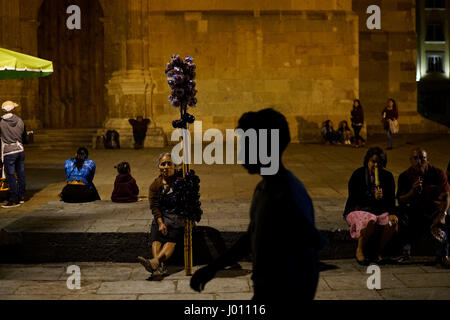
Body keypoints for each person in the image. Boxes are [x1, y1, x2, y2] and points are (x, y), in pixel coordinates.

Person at [190, 108, 326, 302]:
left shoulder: (286, 195)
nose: (241, 154)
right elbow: (250, 236)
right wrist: (212, 269)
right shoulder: (264, 189)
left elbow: (308, 259)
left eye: (246, 145)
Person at [343, 147, 398, 264]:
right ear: (367, 161)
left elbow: (391, 200)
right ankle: (360, 250)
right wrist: (372, 196)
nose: (376, 165)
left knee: (392, 221)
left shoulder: (388, 176)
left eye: (379, 162)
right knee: (370, 220)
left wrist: (392, 213)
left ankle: (378, 252)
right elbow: (354, 198)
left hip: (378, 210)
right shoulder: (357, 175)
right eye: (373, 161)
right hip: (358, 210)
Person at [396, 148, 450, 267]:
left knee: (447, 215)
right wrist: (412, 192)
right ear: (411, 160)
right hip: (415, 211)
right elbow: (400, 199)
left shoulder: (438, 173)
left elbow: (447, 196)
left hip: (434, 210)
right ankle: (406, 252)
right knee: (400, 213)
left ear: (427, 160)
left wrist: (442, 215)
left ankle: (442, 255)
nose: (419, 161)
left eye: (422, 158)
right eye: (415, 158)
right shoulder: (405, 176)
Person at [138, 153, 186, 277]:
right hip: (162, 217)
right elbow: (154, 207)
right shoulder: (155, 185)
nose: (166, 167)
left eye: (169, 164)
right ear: (159, 167)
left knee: (171, 238)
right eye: (163, 164)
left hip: (177, 217)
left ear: (174, 166)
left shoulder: (180, 182)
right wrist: (160, 223)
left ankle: (155, 262)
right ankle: (157, 264)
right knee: (156, 237)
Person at [0, 101, 26, 208]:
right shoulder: (20, 121)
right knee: (21, 174)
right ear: (13, 109)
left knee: (10, 176)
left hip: (9, 151)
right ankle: (21, 196)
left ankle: (14, 199)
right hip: (20, 150)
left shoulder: (1, 122)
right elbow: (25, 137)